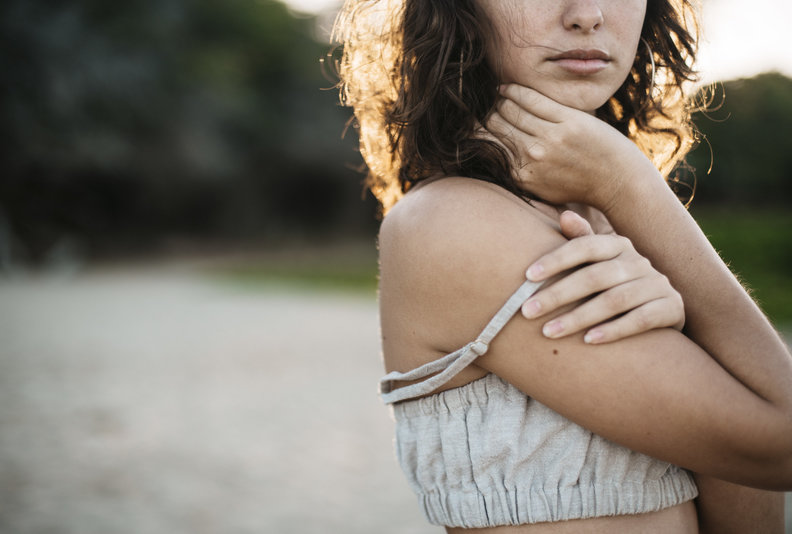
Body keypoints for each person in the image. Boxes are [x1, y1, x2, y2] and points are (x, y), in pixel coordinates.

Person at [333, 1, 792, 532]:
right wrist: (631, 182)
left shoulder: (599, 217)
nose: (587, 14)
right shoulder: (454, 222)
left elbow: (748, 494)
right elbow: (781, 444)